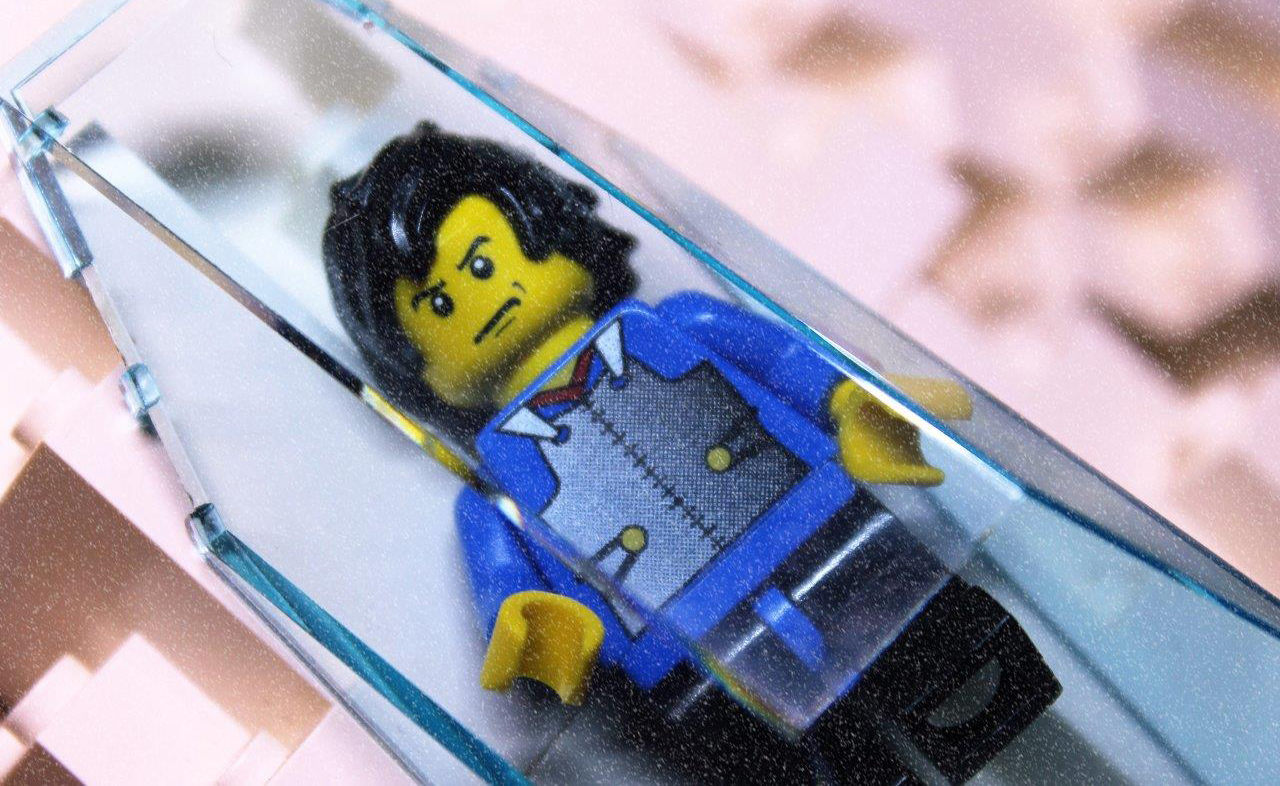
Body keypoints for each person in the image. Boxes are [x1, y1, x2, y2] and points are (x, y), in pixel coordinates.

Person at [324, 122, 1059, 782]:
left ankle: (982, 700)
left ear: (549, 226)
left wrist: (849, 408)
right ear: (413, 362)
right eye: (438, 304)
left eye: (482, 266)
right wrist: (539, 624)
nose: (482, 301)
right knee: (792, 757)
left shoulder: (679, 324)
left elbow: (785, 362)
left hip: (823, 531)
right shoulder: (493, 492)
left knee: (942, 656)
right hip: (685, 648)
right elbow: (507, 586)